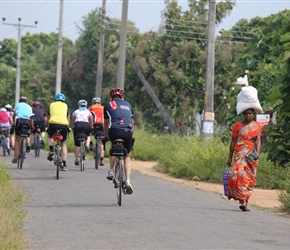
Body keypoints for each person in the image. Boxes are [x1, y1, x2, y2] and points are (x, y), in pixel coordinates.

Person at [227, 108, 263, 211]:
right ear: (243, 114)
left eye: (250, 114)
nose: (248, 116)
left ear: (253, 114)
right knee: (238, 175)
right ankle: (241, 200)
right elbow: (233, 142)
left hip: (252, 155)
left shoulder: (257, 126)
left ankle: (246, 202)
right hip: (240, 153)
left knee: (249, 178)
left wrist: (257, 152)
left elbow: (258, 141)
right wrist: (229, 157)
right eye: (246, 114)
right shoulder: (237, 126)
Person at [103, 87, 134, 195]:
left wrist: (106, 136)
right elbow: (132, 121)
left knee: (113, 145)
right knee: (127, 155)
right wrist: (131, 135)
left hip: (114, 130)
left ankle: (111, 171)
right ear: (122, 97)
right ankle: (128, 182)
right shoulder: (128, 105)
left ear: (111, 97)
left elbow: (106, 123)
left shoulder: (108, 105)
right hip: (127, 131)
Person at [46, 93, 70, 171]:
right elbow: (67, 118)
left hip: (53, 124)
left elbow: (49, 117)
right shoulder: (65, 106)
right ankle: (64, 164)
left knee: (50, 136)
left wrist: (48, 126)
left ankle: (51, 149)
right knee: (63, 143)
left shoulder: (52, 105)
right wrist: (68, 127)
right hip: (63, 124)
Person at [12, 96, 34, 164]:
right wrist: (32, 126)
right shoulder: (29, 107)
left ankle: (15, 158)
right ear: (26, 101)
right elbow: (31, 118)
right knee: (27, 132)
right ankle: (28, 144)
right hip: (27, 121)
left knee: (17, 140)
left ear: (19, 101)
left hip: (19, 121)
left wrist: (13, 123)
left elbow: (14, 115)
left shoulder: (17, 105)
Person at [72, 99, 93, 166]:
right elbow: (91, 120)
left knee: (76, 143)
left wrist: (73, 126)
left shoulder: (76, 111)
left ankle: (76, 160)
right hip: (86, 124)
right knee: (88, 135)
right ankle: (87, 145)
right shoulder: (88, 111)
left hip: (77, 125)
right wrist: (91, 126)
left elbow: (73, 120)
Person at [89, 97, 105, 165]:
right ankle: (101, 159)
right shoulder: (103, 108)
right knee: (101, 142)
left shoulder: (91, 107)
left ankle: (90, 143)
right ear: (100, 103)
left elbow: (88, 116)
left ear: (93, 103)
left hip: (94, 124)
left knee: (89, 133)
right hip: (101, 124)